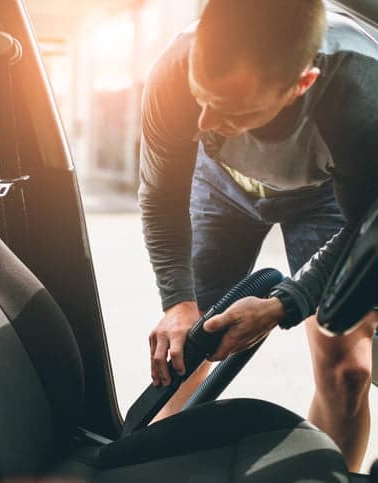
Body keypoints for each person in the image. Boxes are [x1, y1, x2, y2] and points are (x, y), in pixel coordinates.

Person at [140, 0, 378, 471]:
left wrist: (283, 304)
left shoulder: (361, 89)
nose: (205, 122)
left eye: (231, 108)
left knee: (348, 370)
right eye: (201, 96)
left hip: (329, 191)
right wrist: (177, 300)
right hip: (218, 184)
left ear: (302, 84)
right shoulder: (174, 67)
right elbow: (161, 195)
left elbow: (366, 228)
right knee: (186, 350)